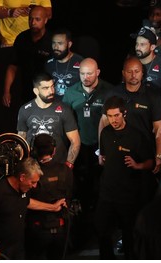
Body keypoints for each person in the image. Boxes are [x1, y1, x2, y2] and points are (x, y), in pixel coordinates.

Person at [98, 56, 161, 203]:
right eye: (129, 72)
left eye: (137, 71)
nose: (133, 75)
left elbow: (158, 129)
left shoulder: (152, 95)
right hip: (117, 152)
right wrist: (100, 151)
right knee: (116, 196)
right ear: (123, 73)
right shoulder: (113, 93)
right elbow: (103, 122)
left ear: (142, 73)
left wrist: (159, 156)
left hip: (143, 152)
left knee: (143, 195)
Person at [96, 96, 154, 260]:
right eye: (110, 116)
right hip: (107, 193)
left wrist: (138, 166)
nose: (113, 120)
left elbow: (150, 162)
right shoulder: (105, 133)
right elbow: (104, 156)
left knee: (129, 234)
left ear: (124, 113)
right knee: (102, 230)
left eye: (116, 115)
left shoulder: (137, 136)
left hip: (128, 195)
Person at [0, 157, 66, 259]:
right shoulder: (0, 190)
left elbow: (27, 202)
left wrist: (53, 207)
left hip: (18, 248)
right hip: (0, 249)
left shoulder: (24, 189)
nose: (34, 186)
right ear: (22, 177)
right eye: (33, 182)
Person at [62, 57, 113, 211]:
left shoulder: (109, 91)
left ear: (97, 72)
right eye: (83, 74)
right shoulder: (71, 93)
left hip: (101, 144)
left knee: (100, 181)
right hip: (79, 144)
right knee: (80, 180)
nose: (86, 77)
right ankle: (80, 208)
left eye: (90, 73)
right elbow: (65, 120)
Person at [25, 133, 74, 259]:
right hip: (61, 230)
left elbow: (25, 201)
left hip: (37, 231)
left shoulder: (30, 174)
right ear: (54, 151)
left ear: (34, 150)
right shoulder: (66, 170)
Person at [17, 71, 80, 166]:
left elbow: (75, 141)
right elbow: (21, 138)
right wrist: (21, 163)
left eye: (52, 86)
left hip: (57, 165)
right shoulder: (25, 110)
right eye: (45, 88)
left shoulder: (64, 110)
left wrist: (69, 164)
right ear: (36, 91)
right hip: (33, 167)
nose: (51, 91)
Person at [2, 5, 52, 107]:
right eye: (30, 19)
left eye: (37, 19)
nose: (33, 23)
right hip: (27, 93)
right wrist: (6, 91)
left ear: (45, 20)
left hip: (49, 94)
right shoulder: (22, 39)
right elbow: (12, 66)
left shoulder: (53, 41)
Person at [132, 25, 161, 106]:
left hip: (153, 112)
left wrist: (160, 115)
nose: (138, 48)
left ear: (152, 47)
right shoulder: (131, 62)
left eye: (142, 44)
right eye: (137, 44)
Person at [44, 27, 84, 97]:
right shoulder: (48, 63)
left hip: (73, 104)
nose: (56, 47)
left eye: (60, 43)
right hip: (53, 104)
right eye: (54, 43)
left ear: (69, 44)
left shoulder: (81, 62)